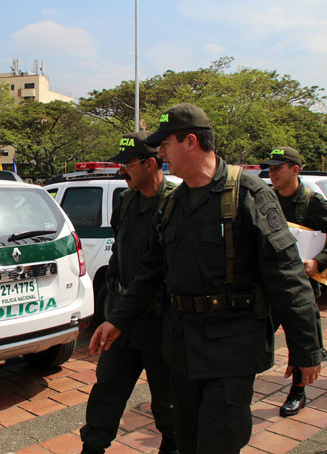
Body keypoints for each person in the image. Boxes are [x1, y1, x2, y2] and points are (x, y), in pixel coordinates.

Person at [90, 103, 323, 454]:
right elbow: (150, 271)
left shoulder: (248, 195)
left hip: (231, 345)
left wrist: (306, 348)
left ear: (191, 142)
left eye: (165, 144)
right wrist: (117, 320)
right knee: (187, 438)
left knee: (218, 441)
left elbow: (287, 277)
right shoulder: (174, 203)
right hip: (183, 345)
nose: (161, 154)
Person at [80, 132, 177, 454]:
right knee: (107, 389)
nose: (121, 171)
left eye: (127, 164)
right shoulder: (125, 200)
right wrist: (112, 297)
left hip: (162, 324)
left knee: (168, 400)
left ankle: (172, 446)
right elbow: (118, 255)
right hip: (123, 321)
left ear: (150, 164)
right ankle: (92, 448)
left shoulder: (176, 202)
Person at [260, 146, 327, 416]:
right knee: (258, 334)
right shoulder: (266, 198)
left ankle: (298, 391)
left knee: (302, 340)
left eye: (278, 168)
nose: (272, 173)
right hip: (269, 283)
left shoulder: (313, 203)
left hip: (300, 285)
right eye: (270, 169)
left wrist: (318, 262)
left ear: (295, 170)